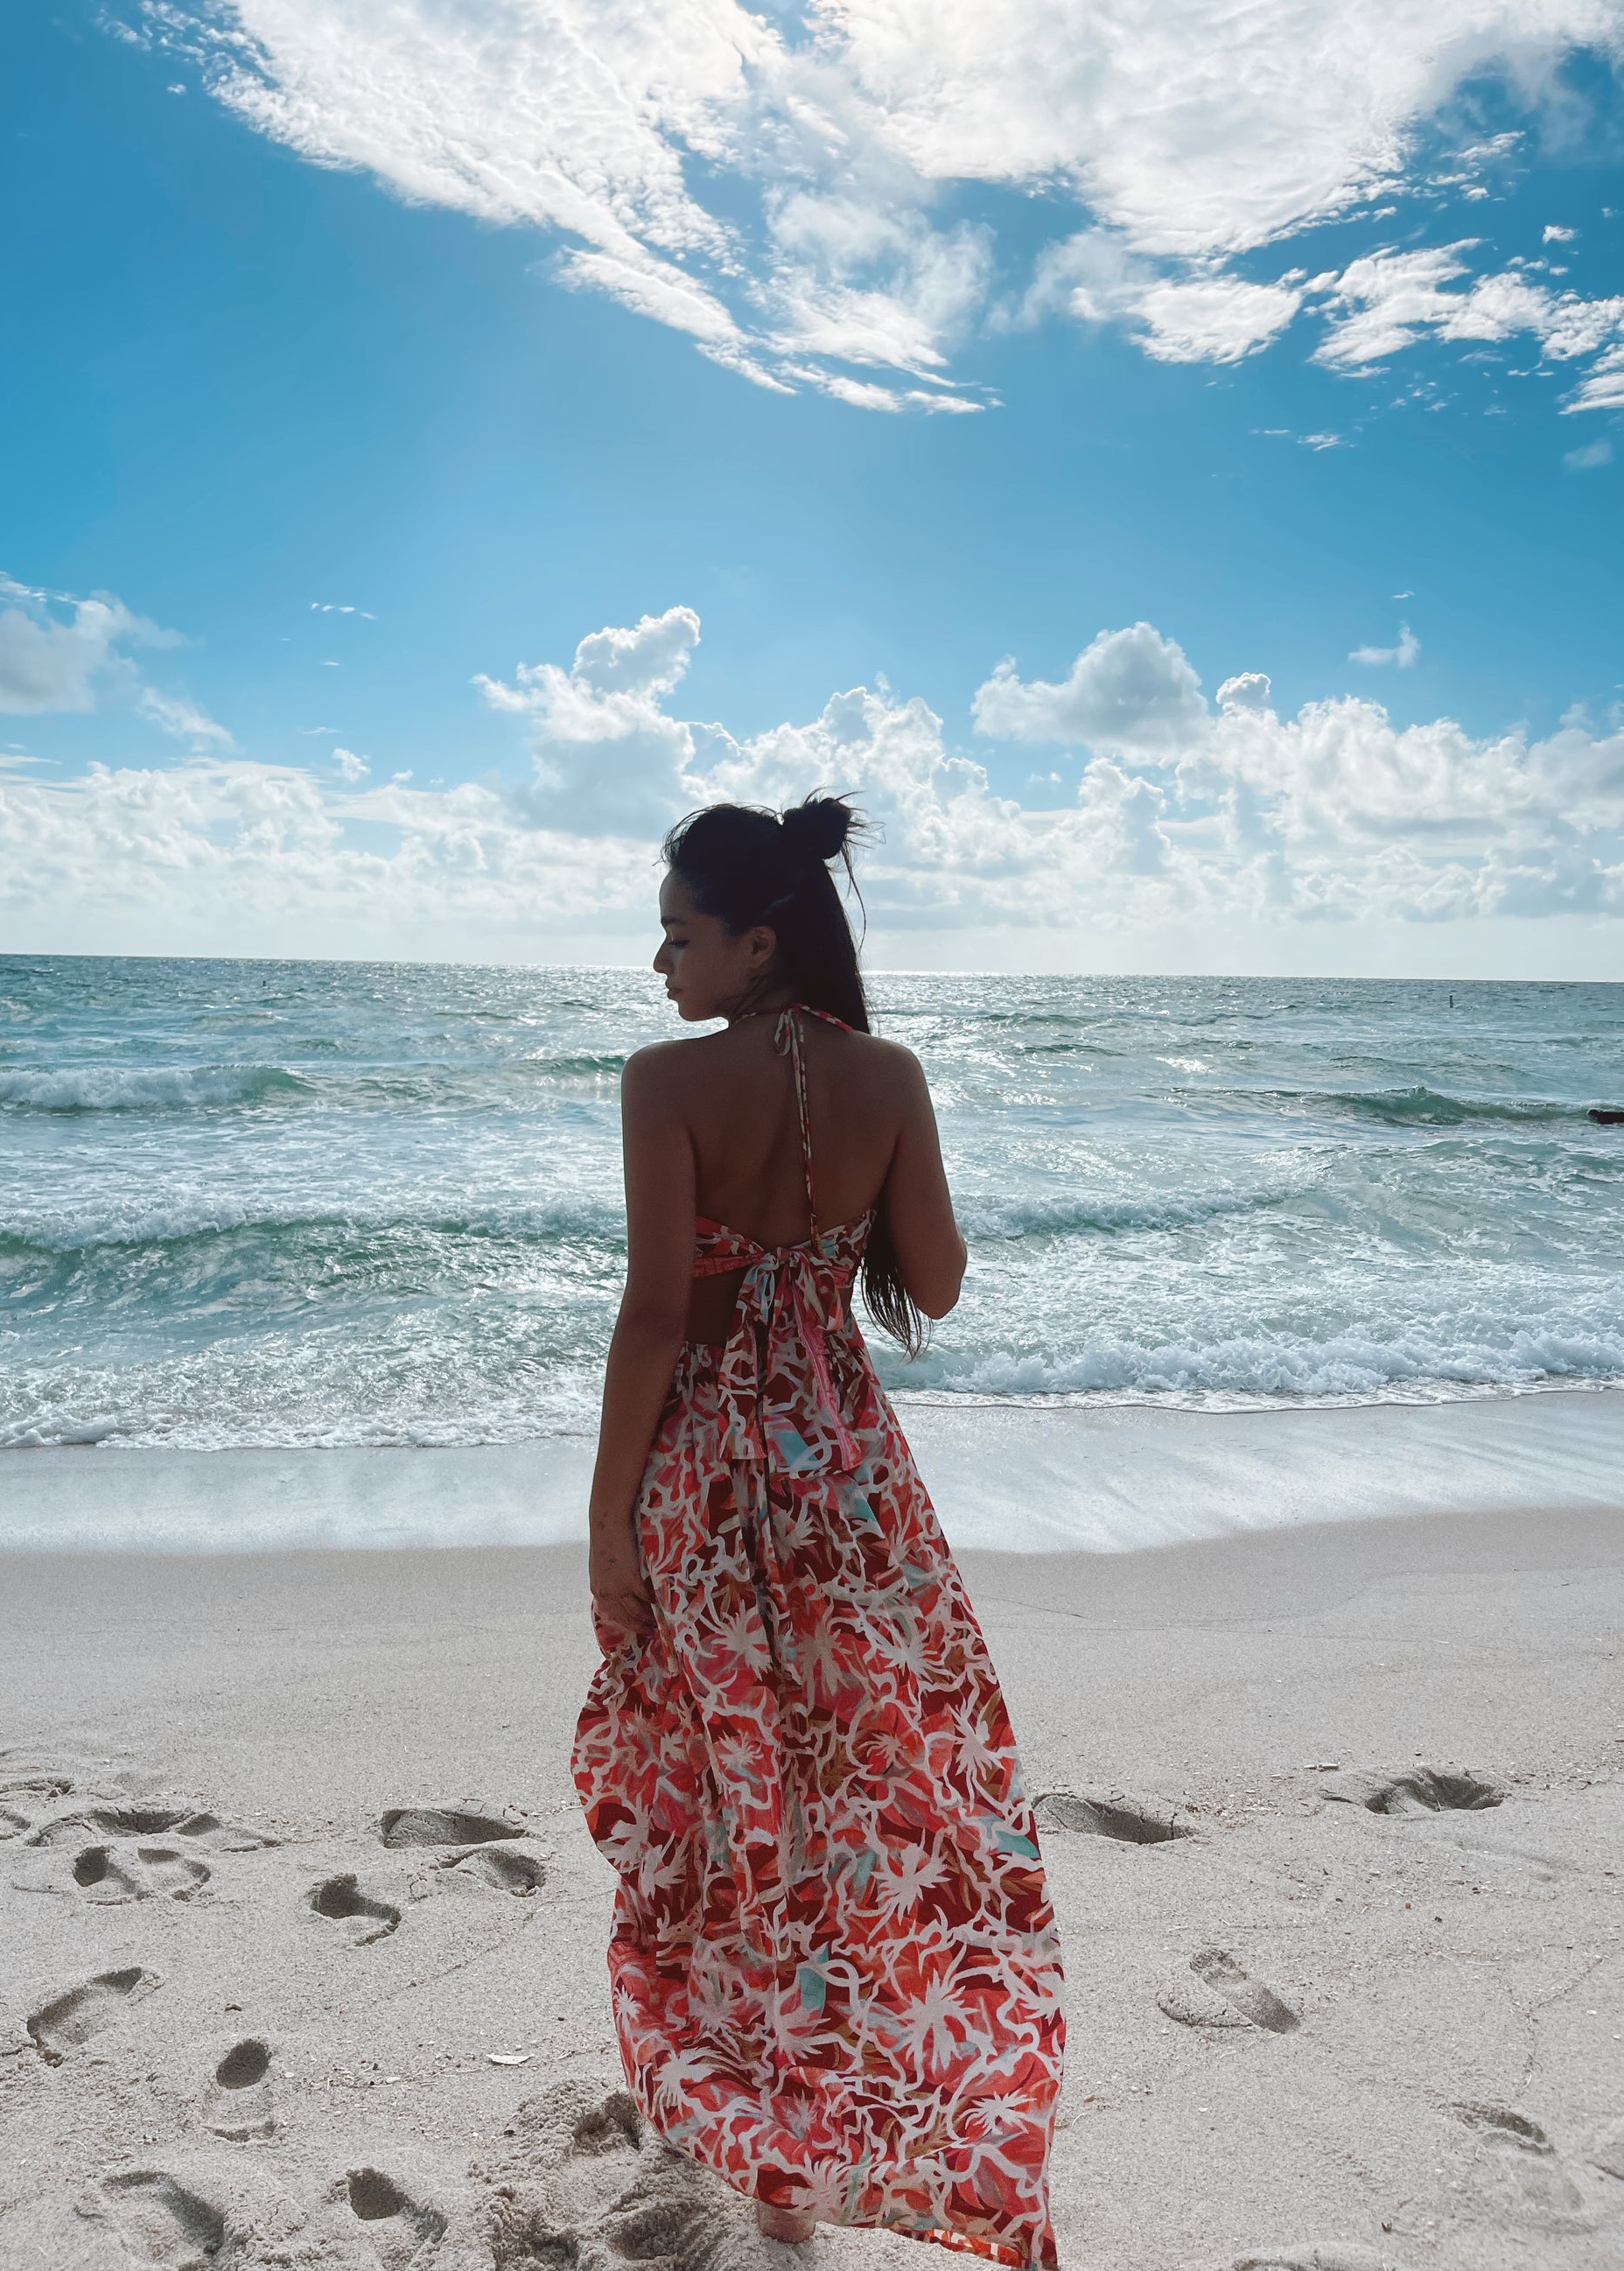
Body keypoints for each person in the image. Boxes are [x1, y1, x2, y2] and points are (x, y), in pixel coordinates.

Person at [572, 796, 1065, 2263]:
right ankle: (868, 2119)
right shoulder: (892, 1074)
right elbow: (939, 1282)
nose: (659, 963)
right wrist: (847, 1191)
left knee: (735, 1795)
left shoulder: (663, 1081)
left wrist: (607, 1531)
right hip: (850, 1480)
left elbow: (657, 1317)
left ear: (755, 940)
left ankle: (775, 2160)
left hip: (711, 1486)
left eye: (677, 935)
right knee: (868, 1792)